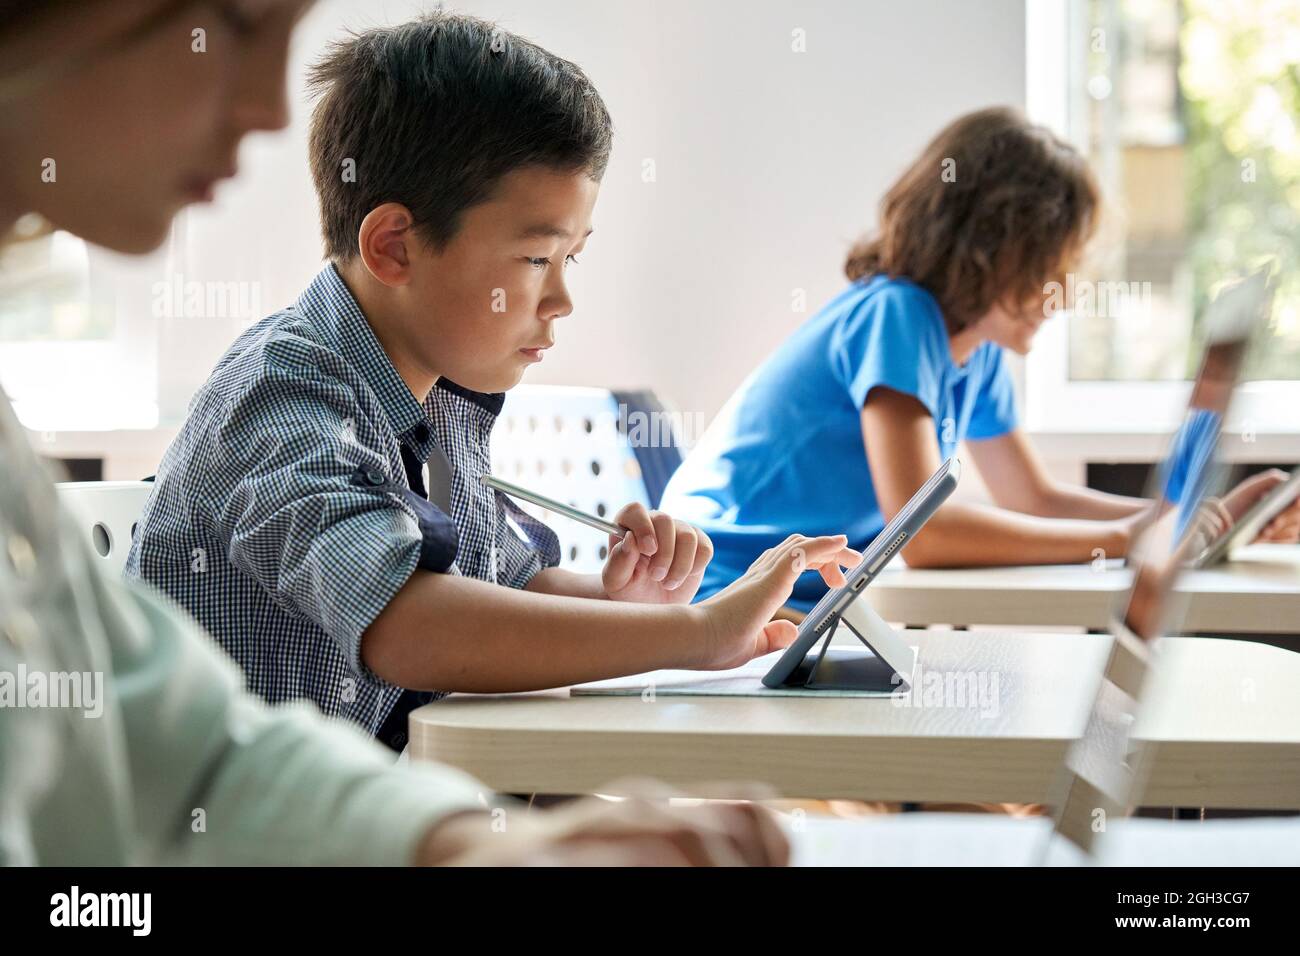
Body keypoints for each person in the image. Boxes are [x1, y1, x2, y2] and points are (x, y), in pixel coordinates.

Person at [0, 0, 796, 866]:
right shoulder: (281, 388)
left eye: (572, 260)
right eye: (537, 260)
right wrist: (695, 635)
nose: (563, 299)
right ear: (393, 248)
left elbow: (504, 588)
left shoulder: (443, 405)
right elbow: (406, 619)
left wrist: (626, 608)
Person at [660, 107, 1300, 614]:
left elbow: (1034, 497)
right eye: (1051, 267)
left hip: (799, 596)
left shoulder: (978, 355)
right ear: (989, 251)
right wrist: (1133, 539)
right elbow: (923, 534)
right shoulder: (898, 316)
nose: (1066, 293)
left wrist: (1177, 518)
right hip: (718, 588)